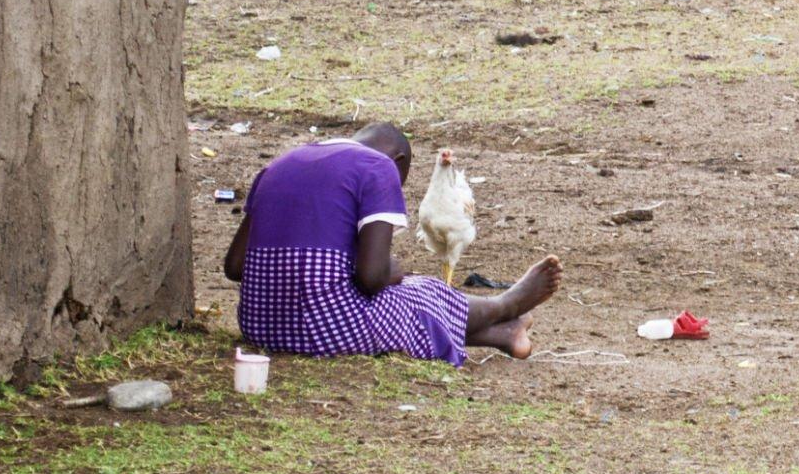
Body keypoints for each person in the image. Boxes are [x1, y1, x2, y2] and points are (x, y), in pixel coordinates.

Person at [224, 123, 559, 364]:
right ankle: (507, 305)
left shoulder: (280, 165)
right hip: (322, 332)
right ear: (398, 162)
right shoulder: (378, 167)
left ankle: (503, 334)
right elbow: (371, 280)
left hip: (259, 325)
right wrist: (392, 271)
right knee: (419, 291)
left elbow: (236, 267)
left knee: (396, 300)